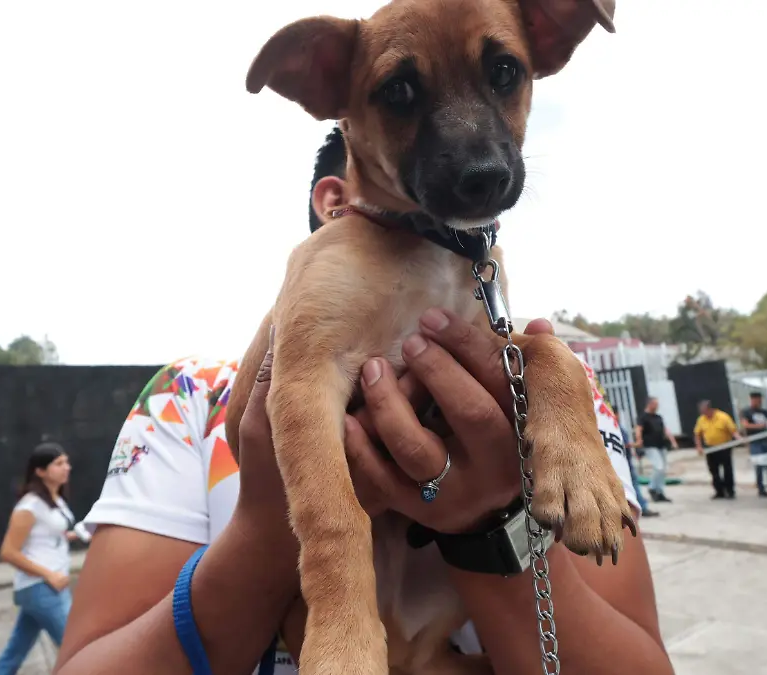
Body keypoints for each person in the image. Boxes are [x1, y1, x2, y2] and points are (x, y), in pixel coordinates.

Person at [55, 127, 673, 675]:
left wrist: (492, 524)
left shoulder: (565, 400)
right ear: (335, 201)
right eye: (402, 104)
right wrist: (271, 530)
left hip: (436, 643)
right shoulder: (186, 401)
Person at [0, 442, 78, 675]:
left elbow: (46, 537)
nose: (66, 467)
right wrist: (49, 575)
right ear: (40, 471)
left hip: (44, 588)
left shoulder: (55, 500)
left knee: (14, 654)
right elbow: (8, 552)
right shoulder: (29, 506)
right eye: (58, 464)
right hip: (42, 588)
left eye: (66, 462)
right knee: (77, 650)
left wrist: (72, 535)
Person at [614, 405, 658, 518]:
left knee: (634, 485)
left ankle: (640, 507)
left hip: (627, 461)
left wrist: (634, 451)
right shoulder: (614, 427)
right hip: (621, 464)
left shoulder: (619, 427)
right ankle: (640, 507)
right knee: (632, 486)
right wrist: (633, 445)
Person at [693, 400, 742, 500]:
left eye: (704, 411)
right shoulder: (701, 419)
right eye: (701, 412)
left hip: (724, 446)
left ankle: (730, 491)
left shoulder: (723, 417)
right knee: (713, 470)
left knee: (727, 469)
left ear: (709, 409)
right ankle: (719, 491)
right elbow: (697, 434)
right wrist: (698, 446)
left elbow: (733, 431)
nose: (703, 414)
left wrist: (739, 439)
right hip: (710, 448)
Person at [634, 397, 678, 503]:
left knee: (663, 469)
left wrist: (673, 441)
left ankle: (660, 491)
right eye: (655, 404)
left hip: (661, 445)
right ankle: (652, 488)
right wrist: (639, 441)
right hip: (650, 446)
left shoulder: (658, 417)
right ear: (649, 404)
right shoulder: (643, 417)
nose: (657, 406)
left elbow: (665, 429)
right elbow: (638, 429)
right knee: (658, 467)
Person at [741, 392, 767, 498]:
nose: (758, 402)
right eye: (755, 400)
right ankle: (761, 488)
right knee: (759, 465)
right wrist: (761, 426)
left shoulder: (765, 412)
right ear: (751, 400)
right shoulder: (746, 411)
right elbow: (746, 425)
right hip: (755, 441)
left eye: (759, 400)